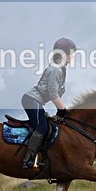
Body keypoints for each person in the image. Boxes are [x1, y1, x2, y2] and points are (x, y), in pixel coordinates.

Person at [20, 38, 76, 169]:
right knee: (42, 128)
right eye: (71, 53)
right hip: (31, 100)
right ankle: (29, 159)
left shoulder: (60, 69)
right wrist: (63, 110)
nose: (72, 56)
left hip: (36, 101)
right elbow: (53, 94)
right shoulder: (56, 70)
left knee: (48, 126)